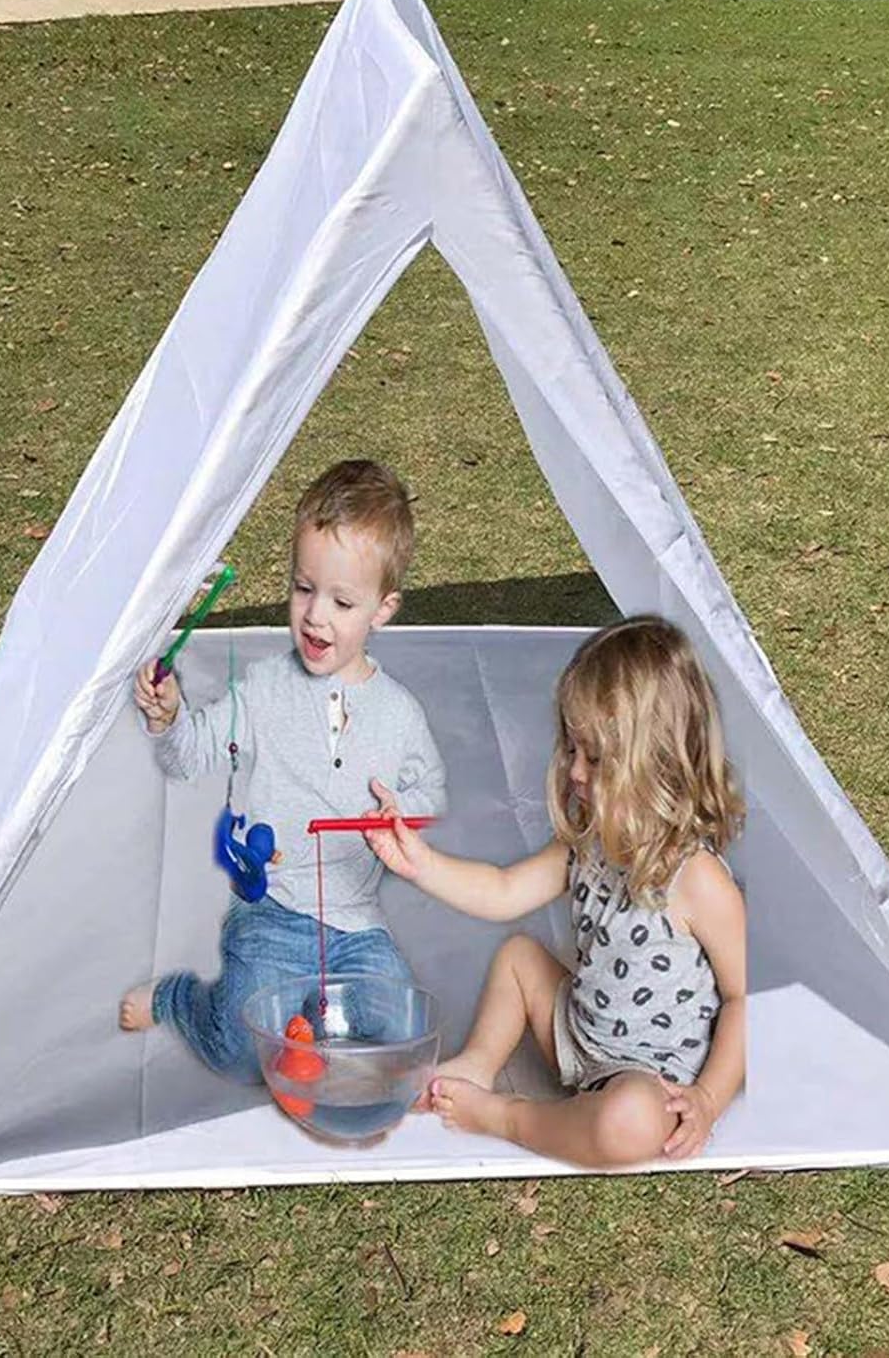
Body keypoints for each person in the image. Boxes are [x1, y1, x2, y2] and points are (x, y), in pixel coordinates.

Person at [367, 616, 745, 1166]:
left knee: (629, 1122)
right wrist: (419, 863)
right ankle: (479, 1064)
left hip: (648, 1083)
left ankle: (505, 1116)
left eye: (596, 758)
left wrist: (707, 1100)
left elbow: (741, 999)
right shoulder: (590, 841)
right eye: (572, 749)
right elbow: (503, 890)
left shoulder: (698, 878)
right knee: (520, 956)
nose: (575, 772)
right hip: (576, 1041)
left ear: (658, 761)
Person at [120, 459, 447, 1080]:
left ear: (382, 609)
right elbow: (190, 755)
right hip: (272, 914)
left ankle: (309, 1023)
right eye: (303, 589)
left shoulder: (400, 712)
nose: (315, 615)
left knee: (401, 1034)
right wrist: (170, 718)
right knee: (241, 1050)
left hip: (357, 925)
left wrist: (400, 810)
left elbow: (429, 789)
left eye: (342, 601)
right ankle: (180, 1000)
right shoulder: (264, 689)